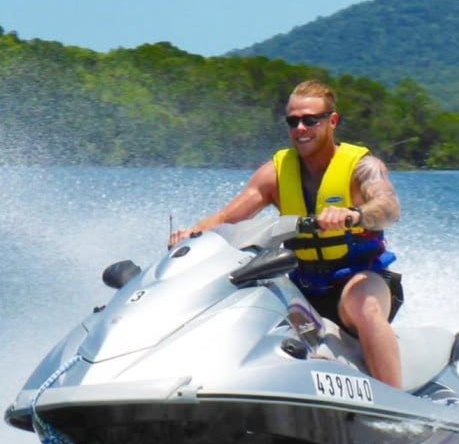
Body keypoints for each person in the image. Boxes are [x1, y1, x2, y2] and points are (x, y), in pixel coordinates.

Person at [168, 80, 403, 388]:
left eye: (310, 120)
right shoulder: (276, 173)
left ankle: (396, 400)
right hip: (303, 287)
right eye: (293, 121)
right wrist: (193, 234)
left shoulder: (363, 167)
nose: (300, 128)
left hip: (359, 280)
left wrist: (353, 215)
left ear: (332, 121)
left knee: (366, 307)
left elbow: (389, 208)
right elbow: (227, 219)